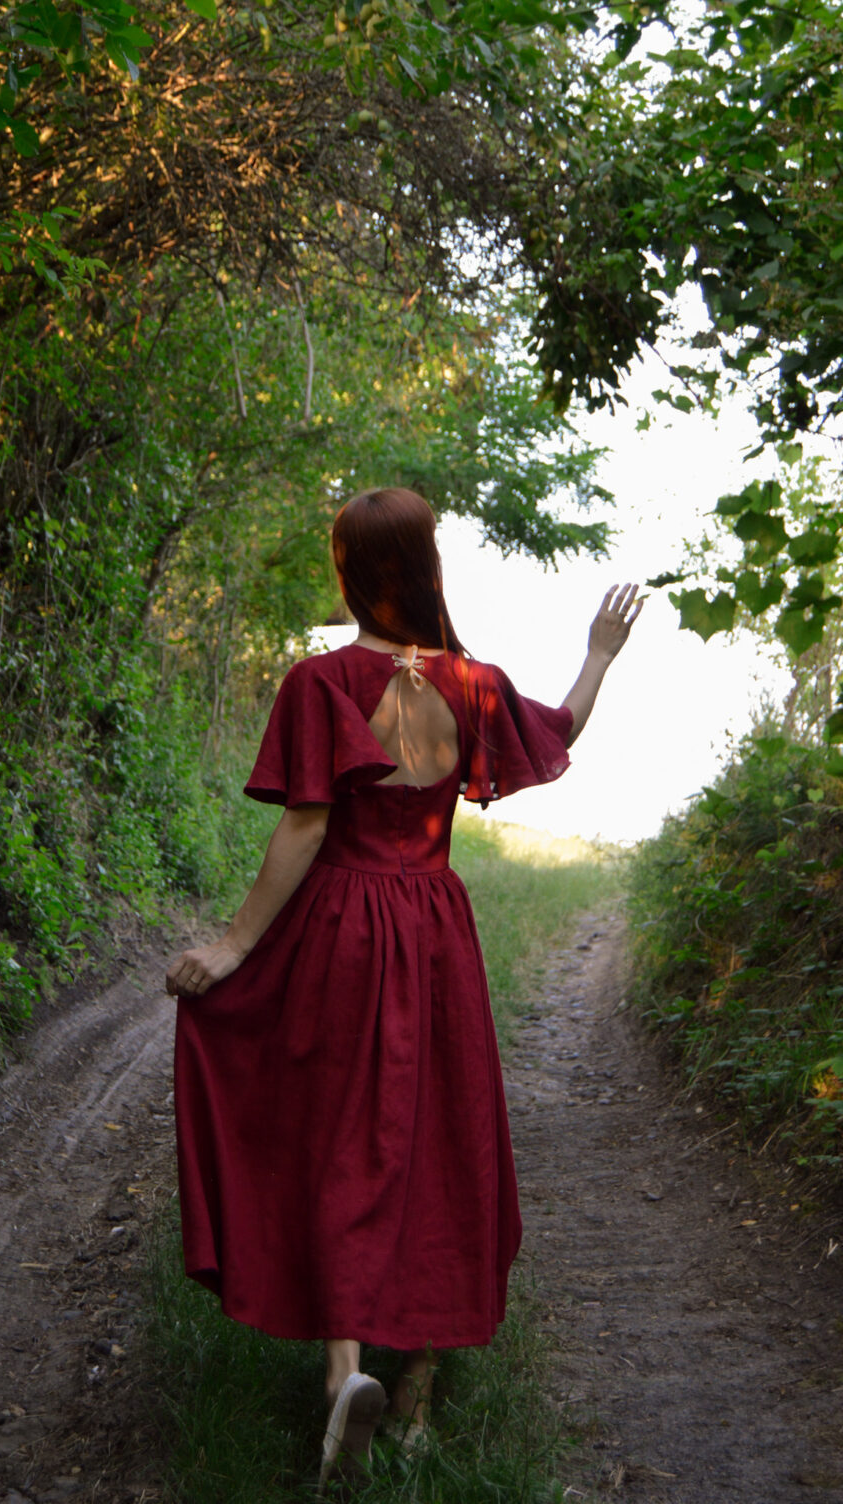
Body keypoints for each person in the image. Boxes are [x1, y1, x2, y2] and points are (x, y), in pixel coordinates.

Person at [165, 487, 641, 1491]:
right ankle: (415, 1400)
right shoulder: (472, 684)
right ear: (427, 567)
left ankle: (346, 1376)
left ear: (350, 570)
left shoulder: (324, 682)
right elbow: (560, 730)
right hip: (434, 931)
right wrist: (599, 652)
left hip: (341, 927)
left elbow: (303, 828)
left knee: (341, 1136)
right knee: (438, 1139)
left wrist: (236, 948)